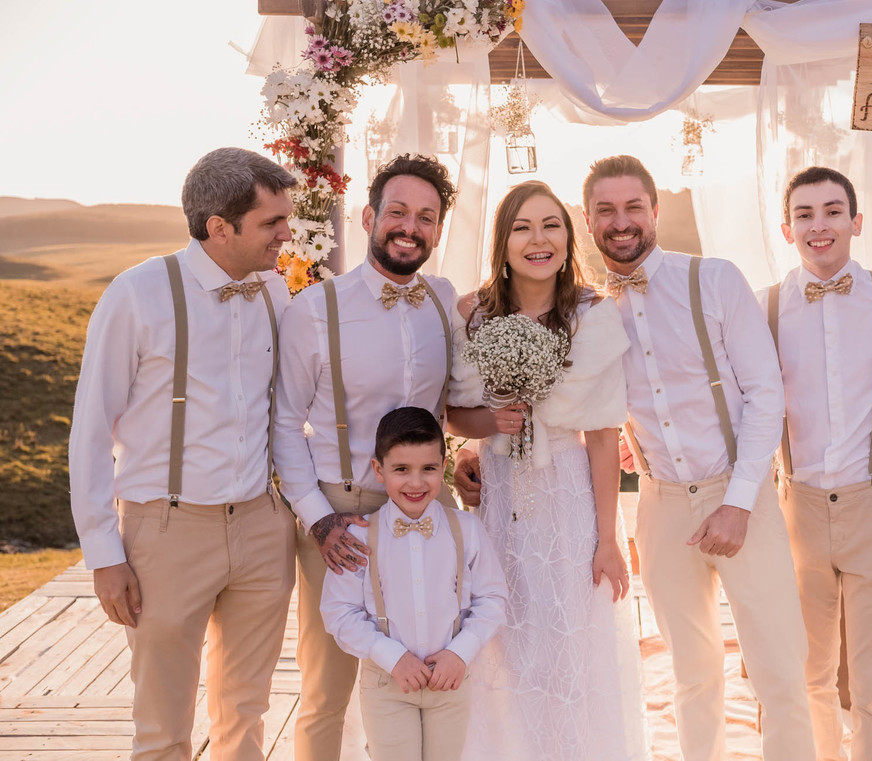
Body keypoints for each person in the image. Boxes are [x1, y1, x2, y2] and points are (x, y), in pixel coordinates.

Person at [582, 155, 816, 761]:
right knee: (691, 674)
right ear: (588, 221)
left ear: (655, 211)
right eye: (606, 210)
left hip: (742, 493)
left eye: (633, 206)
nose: (621, 221)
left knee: (780, 671)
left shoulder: (714, 280)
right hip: (659, 504)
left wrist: (738, 504)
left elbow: (766, 393)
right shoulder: (588, 311)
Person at [69, 147, 297, 760]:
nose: (286, 233)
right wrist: (103, 554)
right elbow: (91, 429)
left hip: (261, 526)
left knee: (246, 714)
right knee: (163, 726)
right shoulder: (137, 294)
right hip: (166, 532)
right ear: (220, 227)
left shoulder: (275, 291)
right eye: (272, 222)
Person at [446, 180, 646, 761]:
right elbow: (455, 413)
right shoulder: (473, 313)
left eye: (551, 225)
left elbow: (603, 437)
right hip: (500, 499)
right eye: (523, 227)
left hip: (570, 497)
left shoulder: (592, 315)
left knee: (572, 645)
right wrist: (492, 422)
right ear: (503, 242)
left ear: (568, 237)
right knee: (504, 643)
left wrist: (607, 540)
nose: (539, 239)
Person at [274, 153, 459, 761]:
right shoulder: (314, 309)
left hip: (429, 507)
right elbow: (284, 424)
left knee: (430, 668)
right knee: (329, 686)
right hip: (342, 514)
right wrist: (318, 520)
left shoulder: (444, 300)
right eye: (398, 211)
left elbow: (455, 403)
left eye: (426, 217)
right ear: (368, 217)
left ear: (438, 230)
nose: (410, 227)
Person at [759, 167, 872, 761]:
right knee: (810, 676)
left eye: (832, 211)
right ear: (786, 229)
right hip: (796, 507)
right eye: (804, 214)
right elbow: (736, 400)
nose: (819, 225)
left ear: (856, 222)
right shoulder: (764, 307)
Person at [320, 406, 507, 761]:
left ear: (444, 465)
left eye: (428, 469)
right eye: (402, 469)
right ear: (379, 470)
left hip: (450, 680)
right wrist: (390, 656)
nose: (416, 483)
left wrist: (461, 651)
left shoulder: (467, 530)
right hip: (387, 683)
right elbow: (338, 612)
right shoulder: (358, 537)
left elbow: (493, 598)